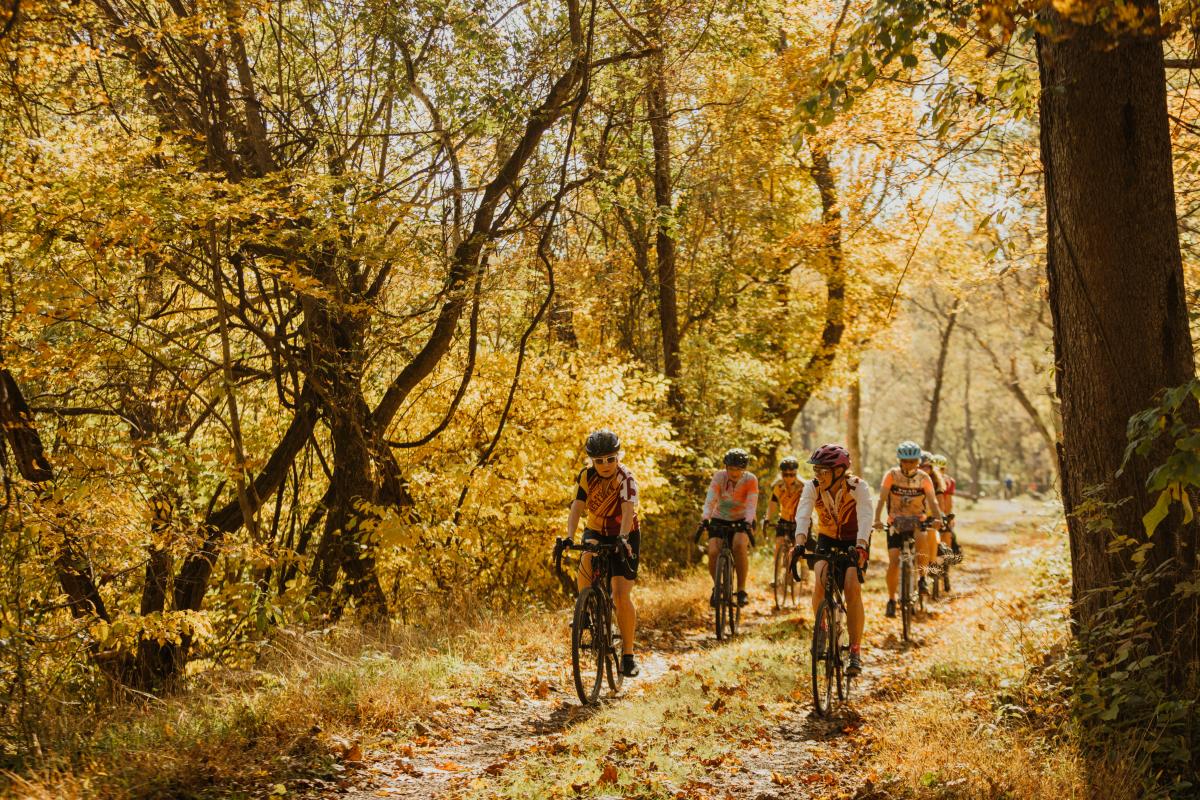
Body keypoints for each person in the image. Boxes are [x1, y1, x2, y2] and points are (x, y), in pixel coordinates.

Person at [564, 429, 641, 677]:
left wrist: (622, 538)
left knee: (620, 595)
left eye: (610, 459)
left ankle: (628, 655)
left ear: (618, 457)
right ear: (591, 461)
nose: (605, 465)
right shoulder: (586, 476)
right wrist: (569, 536)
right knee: (586, 561)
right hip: (596, 529)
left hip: (624, 532)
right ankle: (585, 611)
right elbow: (577, 508)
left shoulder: (626, 478)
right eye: (599, 461)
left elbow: (628, 511)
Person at [791, 444, 873, 676]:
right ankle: (823, 629)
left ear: (839, 471)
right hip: (826, 538)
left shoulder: (857, 487)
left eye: (823, 471)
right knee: (821, 578)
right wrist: (799, 543)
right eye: (816, 470)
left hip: (854, 541)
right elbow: (803, 515)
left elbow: (866, 517)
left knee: (851, 586)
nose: (818, 475)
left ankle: (855, 650)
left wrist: (861, 547)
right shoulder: (812, 487)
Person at [873, 441, 943, 618]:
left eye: (912, 461)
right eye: (905, 461)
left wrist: (938, 517)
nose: (909, 464)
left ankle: (921, 579)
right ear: (900, 461)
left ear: (918, 461)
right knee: (894, 561)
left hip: (917, 520)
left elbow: (933, 501)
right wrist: (877, 519)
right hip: (895, 521)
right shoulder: (891, 475)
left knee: (922, 539)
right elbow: (881, 499)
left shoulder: (924, 478)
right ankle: (891, 600)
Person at [701, 448, 758, 608]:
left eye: (738, 469)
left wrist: (748, 521)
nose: (734, 473)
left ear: (744, 469)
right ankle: (717, 587)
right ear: (726, 468)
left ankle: (741, 590)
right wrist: (705, 518)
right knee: (713, 552)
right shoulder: (719, 477)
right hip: (720, 517)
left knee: (739, 546)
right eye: (731, 469)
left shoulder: (751, 480)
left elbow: (752, 504)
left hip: (742, 519)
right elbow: (711, 498)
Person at [766, 456, 806, 594]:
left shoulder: (803, 486)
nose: (789, 478)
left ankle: (803, 565)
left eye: (792, 474)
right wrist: (767, 519)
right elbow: (772, 504)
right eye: (786, 475)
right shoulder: (777, 486)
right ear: (781, 474)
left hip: (799, 519)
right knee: (778, 544)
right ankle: (776, 576)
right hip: (784, 518)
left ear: (796, 473)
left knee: (798, 547)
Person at [931, 453, 961, 557]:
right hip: (929, 512)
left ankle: (945, 565)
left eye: (942, 469)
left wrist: (948, 519)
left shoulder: (949, 481)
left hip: (942, 512)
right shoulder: (925, 479)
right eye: (936, 469)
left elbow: (948, 502)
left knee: (947, 534)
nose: (939, 472)